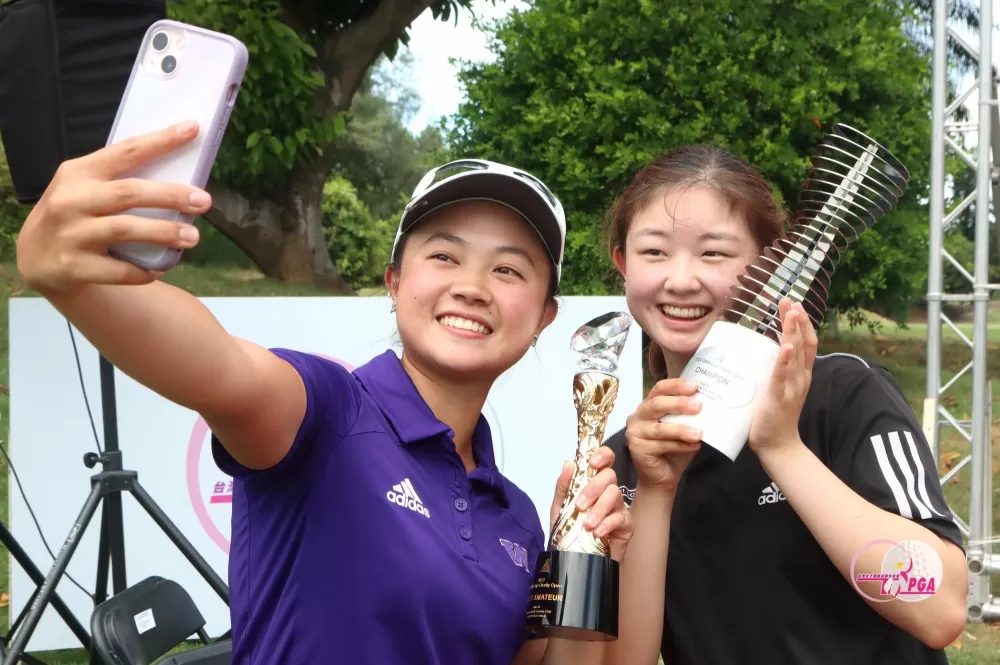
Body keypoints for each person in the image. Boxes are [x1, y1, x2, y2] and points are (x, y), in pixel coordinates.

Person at [15, 121, 634, 665]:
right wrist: (76, 276)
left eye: (508, 269)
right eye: (444, 256)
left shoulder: (517, 517)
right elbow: (219, 368)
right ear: (395, 281)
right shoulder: (328, 411)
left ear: (544, 318)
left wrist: (579, 556)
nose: (473, 287)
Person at [598, 145, 968, 665]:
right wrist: (656, 494)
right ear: (622, 263)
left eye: (714, 254)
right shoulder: (630, 463)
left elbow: (939, 608)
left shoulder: (842, 397)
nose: (680, 280)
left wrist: (782, 448)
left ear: (771, 264)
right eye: (654, 252)